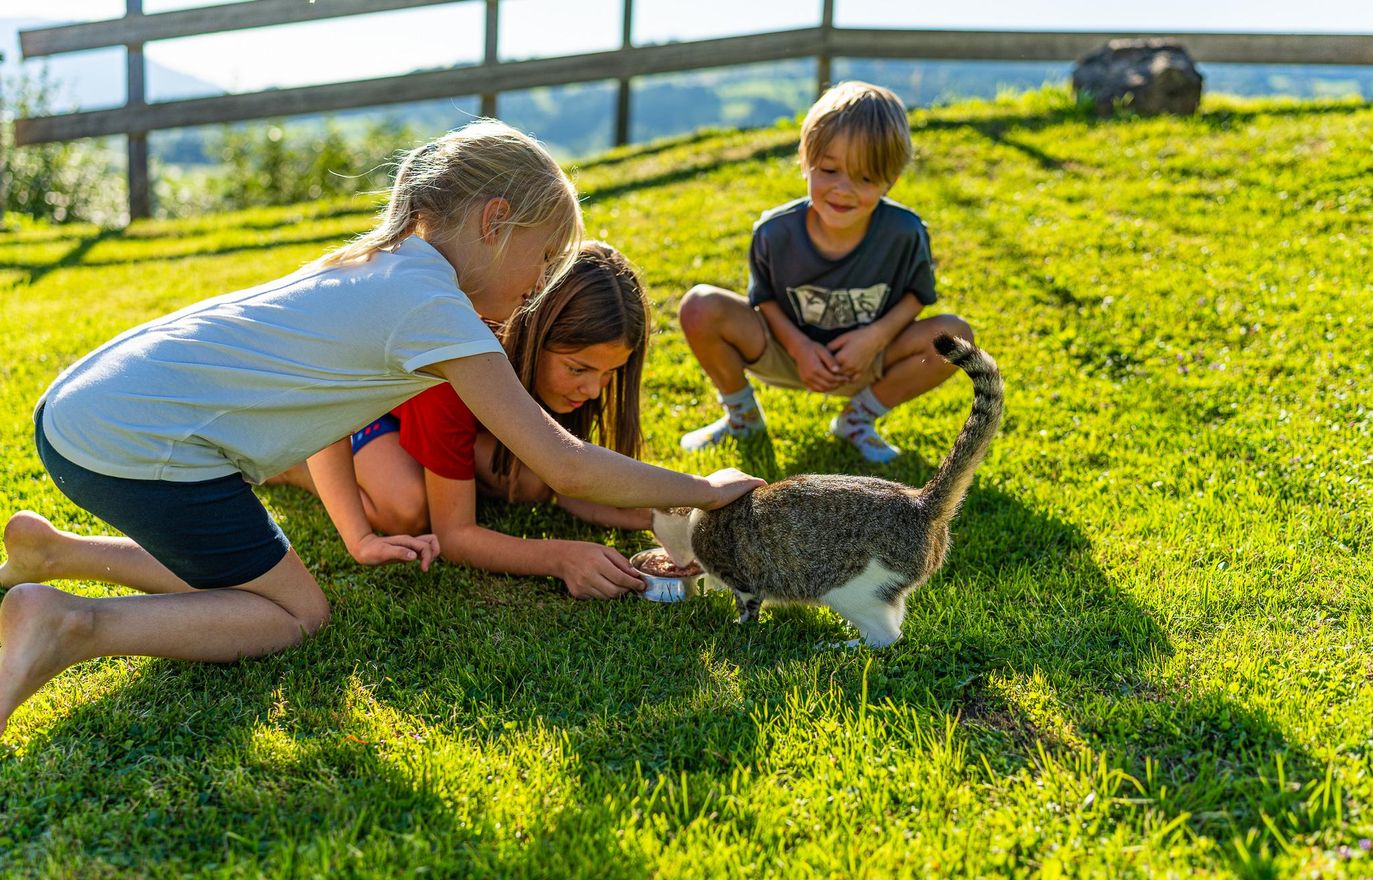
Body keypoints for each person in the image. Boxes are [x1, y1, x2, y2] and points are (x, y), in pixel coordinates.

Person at [0, 121, 762, 739]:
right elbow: (561, 464)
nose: (537, 286)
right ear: (495, 222)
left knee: (257, 575)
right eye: (541, 259)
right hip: (141, 443)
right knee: (297, 613)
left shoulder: (384, 266)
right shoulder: (432, 307)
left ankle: (52, 552)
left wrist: (659, 514)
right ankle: (69, 622)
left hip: (86, 417)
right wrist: (705, 491)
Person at [272, 240, 656, 600]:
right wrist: (562, 558)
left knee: (532, 482)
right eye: (578, 370)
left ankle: (445, 465)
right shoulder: (456, 364)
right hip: (371, 417)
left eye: (609, 375)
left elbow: (573, 485)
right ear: (534, 336)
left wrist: (658, 513)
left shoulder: (567, 377)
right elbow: (454, 537)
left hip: (441, 423)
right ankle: (296, 465)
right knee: (408, 509)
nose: (593, 390)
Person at [677, 80, 973, 464]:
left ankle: (857, 420)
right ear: (805, 161)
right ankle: (743, 418)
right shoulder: (773, 231)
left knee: (955, 336)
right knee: (699, 305)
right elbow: (763, 298)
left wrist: (874, 338)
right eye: (830, 170)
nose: (843, 189)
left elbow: (917, 295)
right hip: (785, 351)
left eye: (865, 178)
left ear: (892, 179)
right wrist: (799, 348)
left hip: (868, 359)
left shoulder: (905, 232)